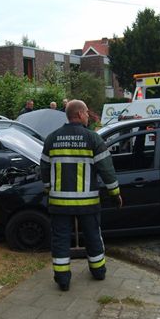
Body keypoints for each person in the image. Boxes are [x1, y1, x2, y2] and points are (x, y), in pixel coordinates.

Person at [40, 99, 122, 292]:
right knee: (93, 235)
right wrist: (115, 192)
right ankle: (98, 271)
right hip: (88, 203)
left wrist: (47, 188)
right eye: (86, 112)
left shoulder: (51, 138)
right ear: (78, 114)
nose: (87, 115)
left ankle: (62, 279)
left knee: (60, 239)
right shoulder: (93, 138)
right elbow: (106, 170)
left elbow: (43, 168)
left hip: (59, 203)